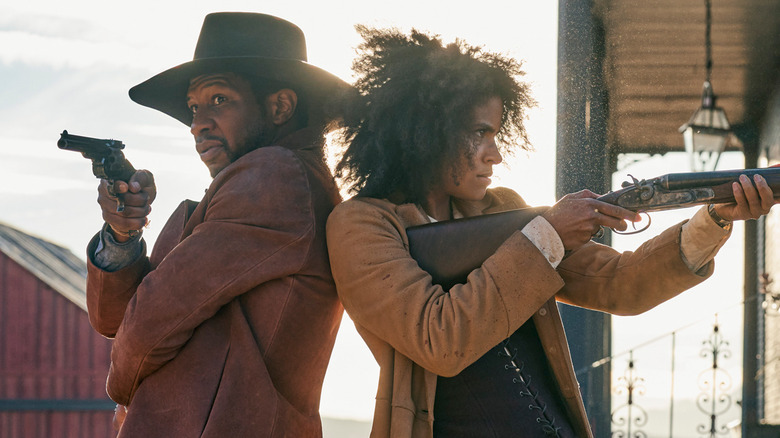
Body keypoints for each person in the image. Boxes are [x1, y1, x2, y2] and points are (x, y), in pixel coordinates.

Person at [325, 27, 778, 438]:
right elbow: (439, 340)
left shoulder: (504, 211)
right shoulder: (362, 224)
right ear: (426, 132)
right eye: (480, 133)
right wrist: (548, 236)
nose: (495, 154)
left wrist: (714, 218)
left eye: (497, 133)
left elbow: (622, 285)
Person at [84, 13, 347, 437]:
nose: (197, 123)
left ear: (280, 106)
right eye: (194, 106)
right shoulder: (265, 183)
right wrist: (122, 236)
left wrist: (129, 397)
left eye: (219, 100)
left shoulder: (274, 174)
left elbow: (146, 326)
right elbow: (114, 320)